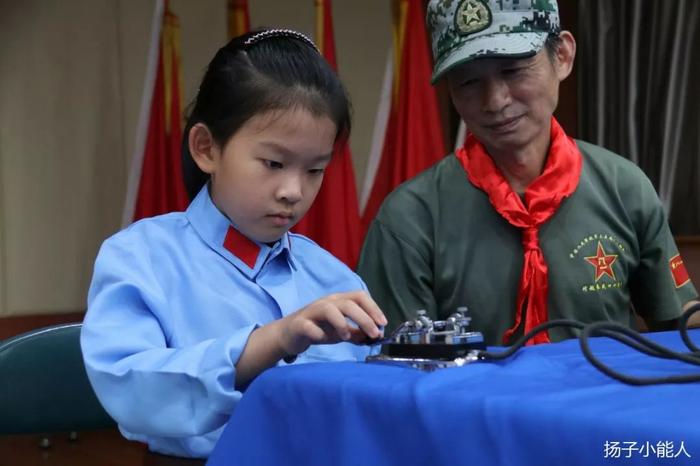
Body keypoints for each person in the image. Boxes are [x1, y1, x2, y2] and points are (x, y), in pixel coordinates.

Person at [81, 28, 386, 459]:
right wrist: (274, 340)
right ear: (207, 148)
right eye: (274, 163)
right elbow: (130, 386)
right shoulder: (141, 256)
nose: (293, 191)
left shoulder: (333, 276)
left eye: (314, 170)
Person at [357, 0, 698, 346]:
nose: (495, 101)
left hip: (605, 398)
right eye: (468, 82)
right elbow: (393, 375)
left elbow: (681, 327)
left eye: (513, 70)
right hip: (473, 401)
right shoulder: (409, 219)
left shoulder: (624, 188)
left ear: (562, 56)